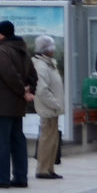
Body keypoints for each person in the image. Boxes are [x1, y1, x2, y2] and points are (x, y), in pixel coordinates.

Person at [0, 20, 37, 188]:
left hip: (0, 106)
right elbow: (33, 76)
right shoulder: (23, 51)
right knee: (17, 141)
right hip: (16, 106)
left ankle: (2, 177)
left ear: (1, 34)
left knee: (1, 142)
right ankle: (21, 177)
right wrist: (29, 91)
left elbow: (9, 75)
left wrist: (22, 91)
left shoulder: (1, 52)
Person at [32, 35, 65, 180]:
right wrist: (55, 104)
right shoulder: (41, 66)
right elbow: (42, 90)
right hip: (48, 109)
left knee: (52, 140)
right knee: (46, 140)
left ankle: (49, 168)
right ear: (45, 49)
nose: (53, 50)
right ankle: (43, 169)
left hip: (53, 109)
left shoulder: (49, 64)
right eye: (51, 47)